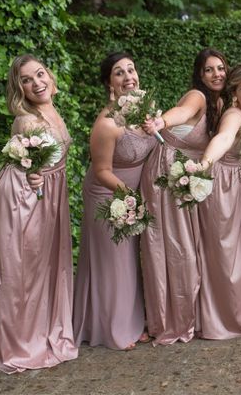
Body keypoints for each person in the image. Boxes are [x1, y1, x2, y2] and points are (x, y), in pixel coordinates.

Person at [0, 55, 78, 373]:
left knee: (45, 268)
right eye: (26, 80)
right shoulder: (26, 120)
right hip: (23, 198)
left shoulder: (51, 109)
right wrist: (33, 174)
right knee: (22, 272)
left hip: (50, 195)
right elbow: (26, 166)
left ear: (51, 79)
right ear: (20, 89)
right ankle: (23, 343)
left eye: (40, 74)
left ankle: (44, 332)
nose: (36, 82)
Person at [139, 48, 229, 345]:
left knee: (191, 244)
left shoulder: (222, 102)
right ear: (199, 75)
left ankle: (194, 312)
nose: (216, 74)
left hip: (188, 174)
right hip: (167, 172)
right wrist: (161, 122)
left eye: (220, 68)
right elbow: (182, 113)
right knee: (175, 245)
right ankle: (172, 317)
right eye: (209, 70)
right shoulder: (198, 97)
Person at [73, 52, 157, 350]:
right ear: (110, 82)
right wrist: (131, 197)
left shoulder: (142, 110)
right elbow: (102, 171)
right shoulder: (106, 124)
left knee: (129, 261)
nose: (128, 77)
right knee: (113, 263)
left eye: (131, 70)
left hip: (132, 194)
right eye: (119, 73)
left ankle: (131, 321)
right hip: (109, 193)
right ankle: (114, 330)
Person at [196, 64, 241, 339]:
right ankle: (224, 318)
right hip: (223, 184)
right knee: (225, 252)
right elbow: (225, 138)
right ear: (235, 94)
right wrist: (205, 163)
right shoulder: (235, 115)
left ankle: (239, 310)